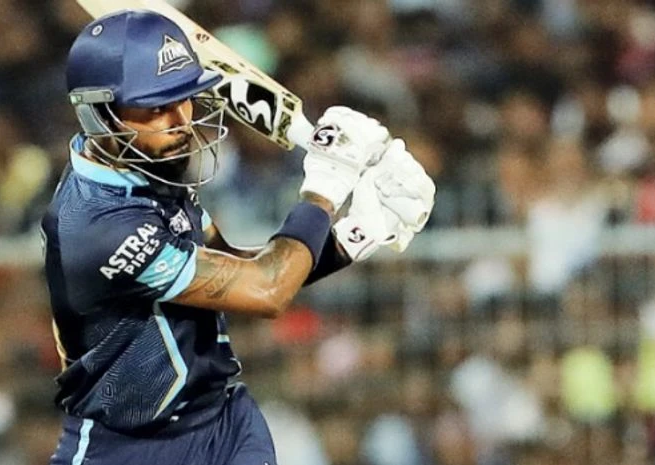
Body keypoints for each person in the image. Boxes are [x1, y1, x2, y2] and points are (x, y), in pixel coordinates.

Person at [43, 10, 435, 465]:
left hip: (224, 425)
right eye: (154, 108)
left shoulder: (145, 170)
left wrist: (356, 233)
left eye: (182, 99)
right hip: (128, 448)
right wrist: (326, 186)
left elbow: (237, 270)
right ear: (99, 115)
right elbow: (267, 290)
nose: (180, 121)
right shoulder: (96, 224)